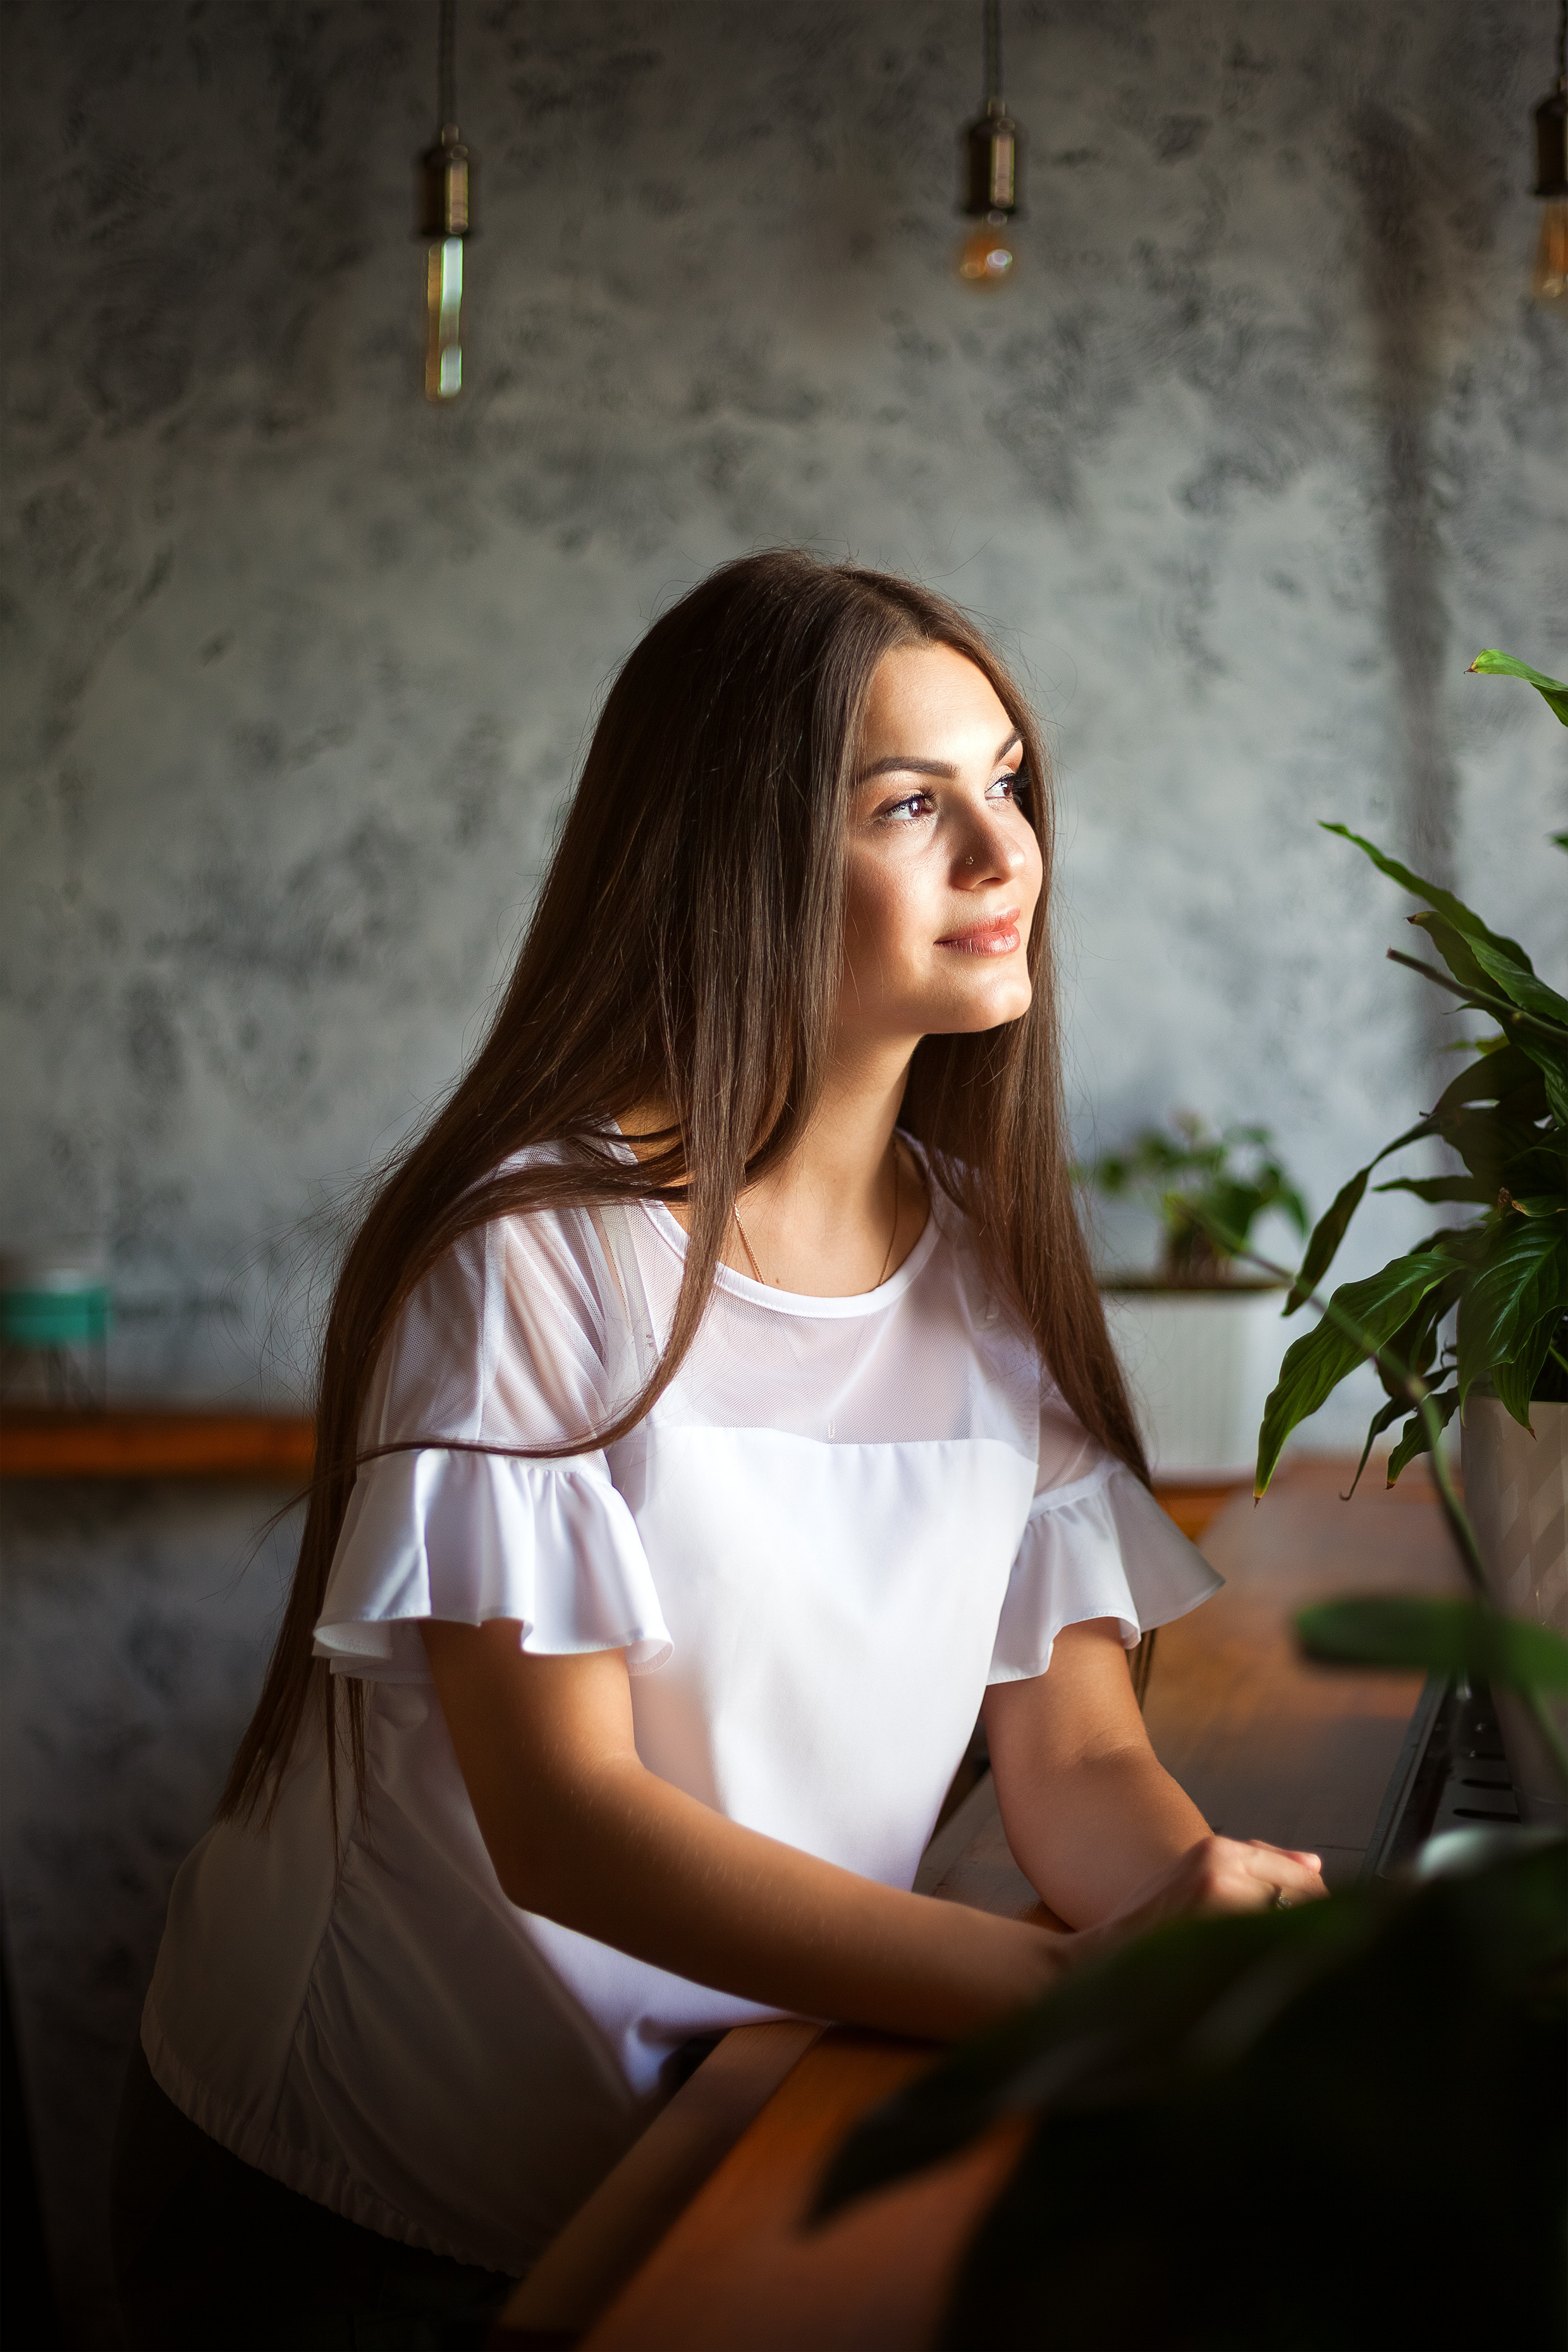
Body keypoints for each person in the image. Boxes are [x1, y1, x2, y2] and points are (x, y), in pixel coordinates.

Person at [111, 552, 1325, 2348]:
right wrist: (1064, 1991)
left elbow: (1072, 1741)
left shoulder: (993, 1263)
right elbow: (571, 1826)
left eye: (1007, 784)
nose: (1007, 860)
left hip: (706, 2108)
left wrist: (1178, 1906)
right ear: (736, 852)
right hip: (369, 2187)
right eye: (916, 806)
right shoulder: (525, 1252)